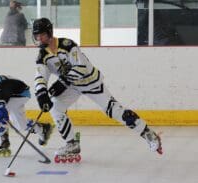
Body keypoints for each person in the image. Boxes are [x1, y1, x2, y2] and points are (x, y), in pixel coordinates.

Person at [32, 18, 163, 161]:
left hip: (91, 82)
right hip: (73, 86)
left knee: (115, 111)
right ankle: (72, 143)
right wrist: (41, 93)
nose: (39, 38)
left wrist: (62, 81)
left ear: (50, 32)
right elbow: (40, 76)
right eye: (36, 36)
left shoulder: (67, 45)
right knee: (55, 107)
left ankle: (149, 134)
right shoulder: (42, 56)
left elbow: (81, 68)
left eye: (42, 35)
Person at [0, 62, 53, 156]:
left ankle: (3, 139)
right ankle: (42, 129)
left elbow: (5, 92)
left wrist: (0, 106)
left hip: (19, 94)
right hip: (8, 97)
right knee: (21, 125)